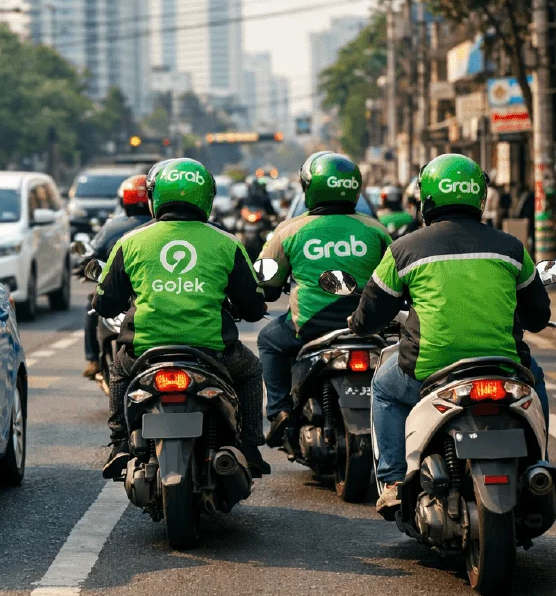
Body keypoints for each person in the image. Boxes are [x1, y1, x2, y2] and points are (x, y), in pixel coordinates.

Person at [349, 154, 553, 518]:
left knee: (383, 387)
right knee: (535, 379)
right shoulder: (512, 248)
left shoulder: (404, 249)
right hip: (504, 369)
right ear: (480, 198)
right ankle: (541, 463)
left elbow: (371, 314)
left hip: (430, 371)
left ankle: (394, 481)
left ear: (427, 199)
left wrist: (357, 324)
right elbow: (539, 317)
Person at [93, 158, 270, 479]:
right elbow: (254, 306)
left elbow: (104, 304)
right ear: (207, 197)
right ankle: (249, 447)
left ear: (155, 196)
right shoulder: (227, 242)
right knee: (250, 371)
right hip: (214, 352)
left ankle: (119, 444)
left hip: (143, 352)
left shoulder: (130, 242)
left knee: (117, 372)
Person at [257, 153, 392, 447]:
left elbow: (265, 282)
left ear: (309, 188)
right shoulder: (376, 229)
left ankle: (279, 411)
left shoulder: (289, 230)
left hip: (308, 327)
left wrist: (264, 293)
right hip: (367, 326)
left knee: (268, 339)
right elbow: (398, 279)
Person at [83, 174, 154, 379]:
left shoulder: (114, 227)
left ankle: (93, 359)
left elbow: (93, 252)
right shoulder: (165, 229)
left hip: (119, 290)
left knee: (93, 305)